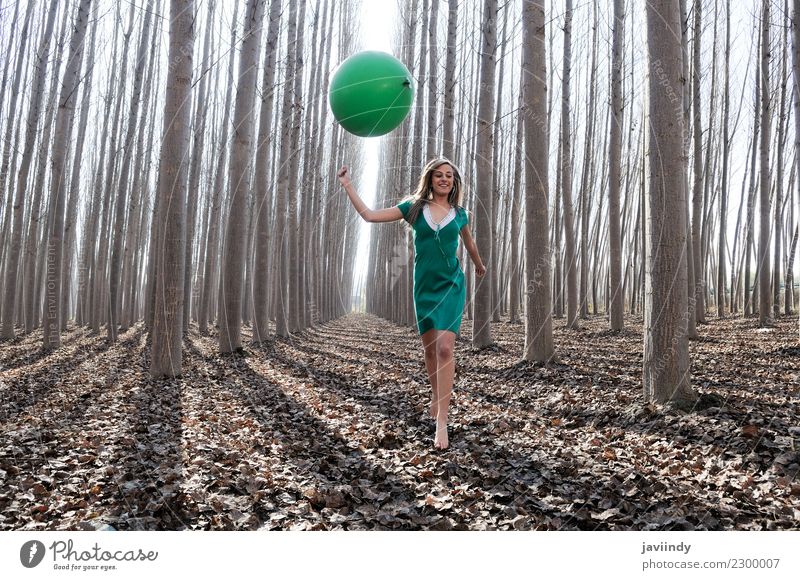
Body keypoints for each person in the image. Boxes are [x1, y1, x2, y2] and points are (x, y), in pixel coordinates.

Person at [337, 158, 486, 449]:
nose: (444, 179)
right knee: (430, 351)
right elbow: (369, 215)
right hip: (424, 288)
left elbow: (469, 243)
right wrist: (348, 185)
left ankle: (442, 420)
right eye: (439, 175)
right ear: (430, 179)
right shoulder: (414, 208)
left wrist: (479, 265)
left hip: (451, 285)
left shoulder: (460, 214)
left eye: (450, 176)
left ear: (454, 183)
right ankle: (435, 394)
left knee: (445, 348)